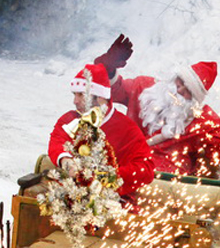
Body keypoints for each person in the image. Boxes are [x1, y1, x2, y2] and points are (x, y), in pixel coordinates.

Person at [93, 34, 220, 177]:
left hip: (166, 179)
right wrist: (108, 68)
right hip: (125, 162)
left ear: (195, 100)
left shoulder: (204, 121)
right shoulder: (145, 88)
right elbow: (112, 90)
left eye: (188, 90)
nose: (179, 90)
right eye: (180, 82)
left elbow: (218, 155)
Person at [48, 63, 154, 206]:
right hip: (70, 195)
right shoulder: (71, 119)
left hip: (112, 201)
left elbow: (145, 169)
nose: (75, 101)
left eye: (81, 95)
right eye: (74, 95)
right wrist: (66, 160)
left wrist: (106, 178)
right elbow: (58, 140)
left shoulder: (127, 128)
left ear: (100, 98)